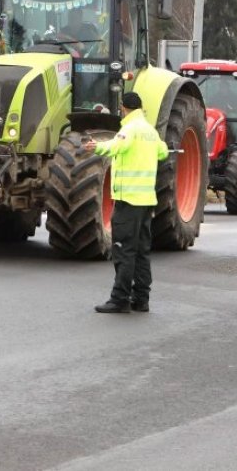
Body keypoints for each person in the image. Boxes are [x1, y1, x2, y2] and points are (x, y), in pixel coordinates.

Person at [83, 91, 169, 313]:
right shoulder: (150, 131)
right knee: (141, 250)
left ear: (123, 108)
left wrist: (96, 147)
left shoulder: (129, 129)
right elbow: (163, 152)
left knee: (123, 250)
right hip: (146, 200)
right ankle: (141, 298)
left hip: (128, 200)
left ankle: (119, 298)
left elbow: (115, 146)